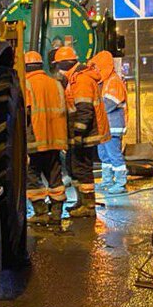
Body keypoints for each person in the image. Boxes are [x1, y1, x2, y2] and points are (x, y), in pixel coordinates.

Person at [53, 46, 110, 218]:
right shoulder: (74, 79)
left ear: (64, 64)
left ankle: (88, 205)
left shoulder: (81, 80)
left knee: (82, 168)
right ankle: (81, 201)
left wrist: (78, 133)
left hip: (86, 134)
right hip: (80, 133)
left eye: (58, 66)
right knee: (73, 167)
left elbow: (84, 110)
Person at [21, 50, 68, 225]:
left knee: (32, 175)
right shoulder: (55, 84)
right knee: (55, 176)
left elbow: (25, 112)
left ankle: (40, 213)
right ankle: (56, 214)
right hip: (55, 140)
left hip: (35, 140)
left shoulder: (26, 84)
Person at [90, 51, 128, 195]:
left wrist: (92, 108)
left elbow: (108, 105)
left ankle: (120, 183)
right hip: (105, 127)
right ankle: (107, 181)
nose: (96, 71)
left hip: (113, 127)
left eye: (97, 68)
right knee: (104, 156)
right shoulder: (105, 82)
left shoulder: (114, 82)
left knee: (114, 155)